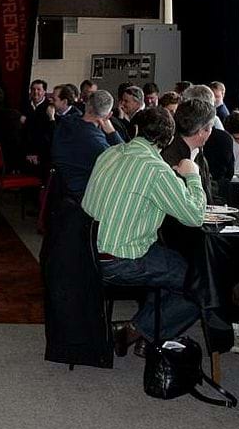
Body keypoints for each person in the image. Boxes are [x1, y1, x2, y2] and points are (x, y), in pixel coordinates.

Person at [83, 107, 207, 354]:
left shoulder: (109, 154)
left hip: (86, 251)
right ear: (169, 139)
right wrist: (193, 176)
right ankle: (138, 330)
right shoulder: (156, 170)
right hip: (120, 260)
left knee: (168, 262)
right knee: (201, 284)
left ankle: (147, 332)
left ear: (136, 129)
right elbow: (195, 216)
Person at [51, 89, 123, 196]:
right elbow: (126, 160)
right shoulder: (98, 144)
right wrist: (112, 133)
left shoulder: (64, 123)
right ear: (108, 115)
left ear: (87, 104)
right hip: (86, 198)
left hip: (58, 193)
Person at [160, 96, 218, 203]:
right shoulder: (168, 157)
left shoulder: (198, 153)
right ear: (201, 131)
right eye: (210, 127)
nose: (211, 132)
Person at [22, 78, 52, 173]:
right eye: (33, 89)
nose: (35, 92)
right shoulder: (24, 106)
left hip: (42, 155)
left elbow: (48, 134)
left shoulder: (49, 108)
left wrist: (38, 155)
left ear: (44, 92)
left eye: (39, 89)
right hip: (26, 152)